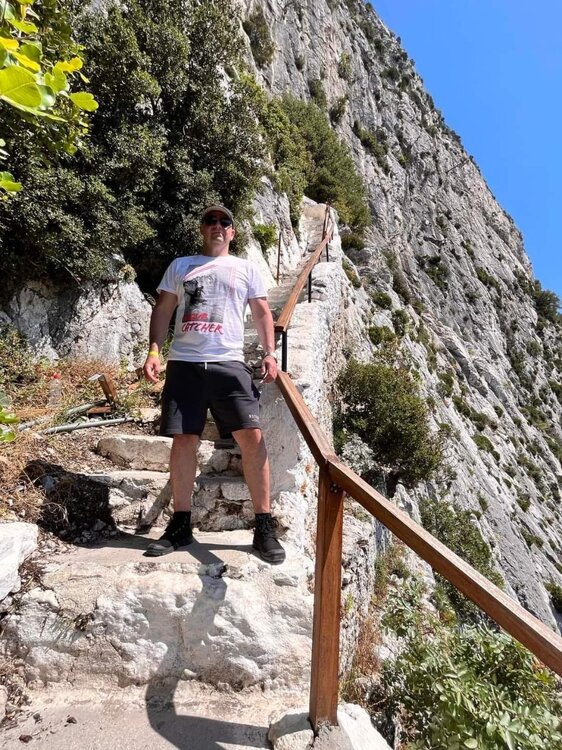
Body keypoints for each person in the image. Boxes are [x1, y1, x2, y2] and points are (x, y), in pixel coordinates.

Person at [142, 204, 285, 564]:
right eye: (210, 220)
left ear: (232, 232)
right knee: (184, 440)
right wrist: (154, 350)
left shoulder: (245, 268)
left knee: (252, 437)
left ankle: (264, 527)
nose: (217, 226)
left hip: (228, 363)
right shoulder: (181, 265)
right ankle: (180, 524)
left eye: (224, 222)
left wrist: (270, 353)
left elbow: (262, 313)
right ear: (202, 228)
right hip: (184, 364)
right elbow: (163, 309)